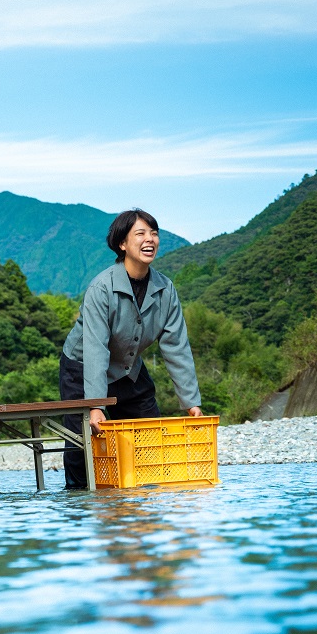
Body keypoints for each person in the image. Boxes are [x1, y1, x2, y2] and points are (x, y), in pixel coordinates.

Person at [59, 208, 203, 489]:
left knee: (148, 438)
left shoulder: (165, 288)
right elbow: (96, 349)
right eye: (140, 233)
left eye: (154, 233)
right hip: (82, 367)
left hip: (128, 368)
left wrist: (191, 402)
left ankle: (141, 504)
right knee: (82, 445)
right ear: (122, 244)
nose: (150, 239)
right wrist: (95, 406)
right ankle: (78, 507)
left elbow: (176, 347)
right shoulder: (102, 287)